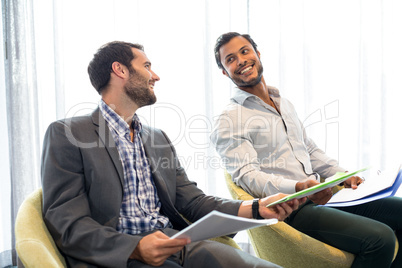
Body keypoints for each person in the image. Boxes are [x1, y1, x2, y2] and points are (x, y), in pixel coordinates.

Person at [41, 41, 303, 268]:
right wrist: (134, 247)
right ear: (120, 70)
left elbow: (192, 201)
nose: (155, 76)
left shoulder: (157, 138)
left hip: (178, 246)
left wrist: (257, 208)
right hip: (121, 258)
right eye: (146, 66)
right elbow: (67, 223)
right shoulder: (68, 134)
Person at [211, 32, 402, 268]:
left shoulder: (281, 101)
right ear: (224, 71)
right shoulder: (229, 119)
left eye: (245, 51)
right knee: (381, 239)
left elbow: (309, 149)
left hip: (323, 196)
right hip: (291, 210)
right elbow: (248, 178)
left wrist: (343, 175)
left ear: (257, 54)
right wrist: (299, 187)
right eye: (230, 59)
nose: (240, 60)